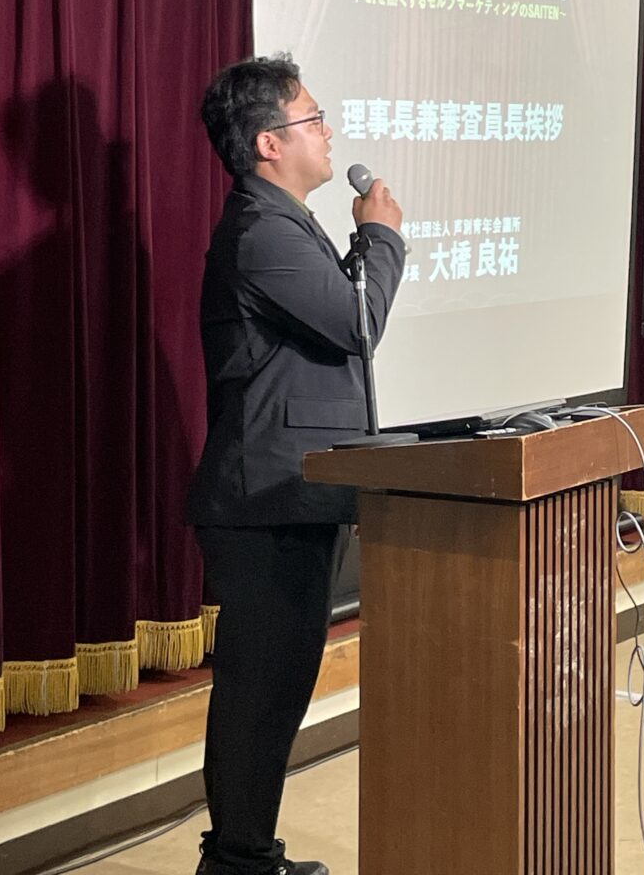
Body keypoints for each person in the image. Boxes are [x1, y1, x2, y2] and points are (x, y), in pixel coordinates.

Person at [187, 54, 406, 875]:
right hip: (265, 499)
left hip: (292, 493)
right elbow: (356, 324)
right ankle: (236, 861)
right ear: (269, 143)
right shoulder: (261, 229)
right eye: (313, 118)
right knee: (259, 692)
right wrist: (381, 236)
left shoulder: (284, 221)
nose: (328, 130)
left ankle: (247, 854)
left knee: (276, 689)